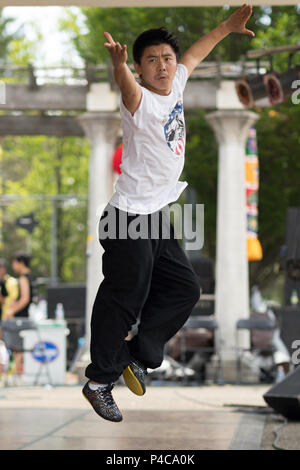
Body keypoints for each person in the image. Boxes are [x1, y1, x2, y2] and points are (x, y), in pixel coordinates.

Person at [82, 4, 255, 422]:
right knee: (127, 293)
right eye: (151, 61)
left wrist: (228, 27)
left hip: (156, 214)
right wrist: (118, 66)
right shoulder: (139, 98)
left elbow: (196, 52)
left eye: (167, 59)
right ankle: (99, 380)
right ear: (140, 69)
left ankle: (137, 357)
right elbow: (125, 87)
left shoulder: (176, 81)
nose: (162, 66)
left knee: (184, 290)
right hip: (126, 217)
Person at [4, 251, 37, 375]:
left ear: (21, 263)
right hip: (29, 317)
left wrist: (12, 310)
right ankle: (17, 372)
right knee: (20, 347)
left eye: (14, 262)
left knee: (17, 347)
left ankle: (16, 372)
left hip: (21, 319)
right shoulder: (32, 277)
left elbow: (25, 299)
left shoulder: (23, 278)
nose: (13, 266)